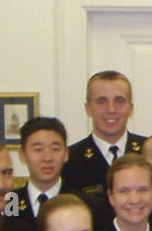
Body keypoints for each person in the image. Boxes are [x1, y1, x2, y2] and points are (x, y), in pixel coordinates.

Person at [61, 70, 147, 218]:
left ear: (130, 108)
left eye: (119, 101)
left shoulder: (149, 153)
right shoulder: (68, 159)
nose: (111, 110)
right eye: (102, 101)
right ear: (88, 108)